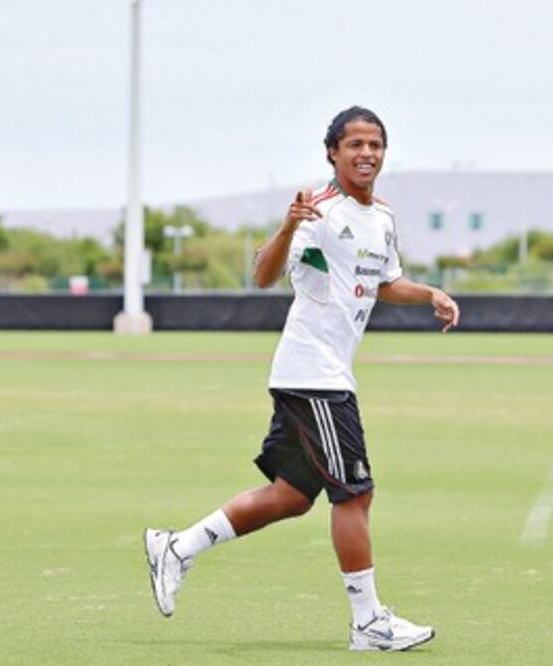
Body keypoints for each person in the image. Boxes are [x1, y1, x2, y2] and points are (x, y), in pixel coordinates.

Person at [144, 106, 460, 652]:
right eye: (354, 144)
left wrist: (430, 293)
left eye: (375, 144)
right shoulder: (319, 212)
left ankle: (177, 547)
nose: (366, 153)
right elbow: (264, 275)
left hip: (320, 373)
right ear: (333, 153)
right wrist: (289, 225)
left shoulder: (382, 217)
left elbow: (385, 282)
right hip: (314, 374)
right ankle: (368, 622)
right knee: (355, 494)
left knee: (291, 496)